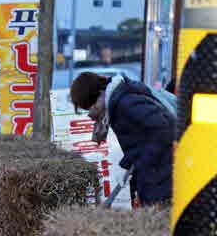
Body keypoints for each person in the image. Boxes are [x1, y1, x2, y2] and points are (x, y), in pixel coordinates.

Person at [70, 71, 176, 206]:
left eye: (90, 106)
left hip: (162, 176)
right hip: (156, 173)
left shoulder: (125, 103)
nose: (91, 111)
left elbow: (163, 130)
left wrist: (138, 162)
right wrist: (130, 164)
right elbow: (140, 141)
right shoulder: (118, 101)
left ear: (98, 95)